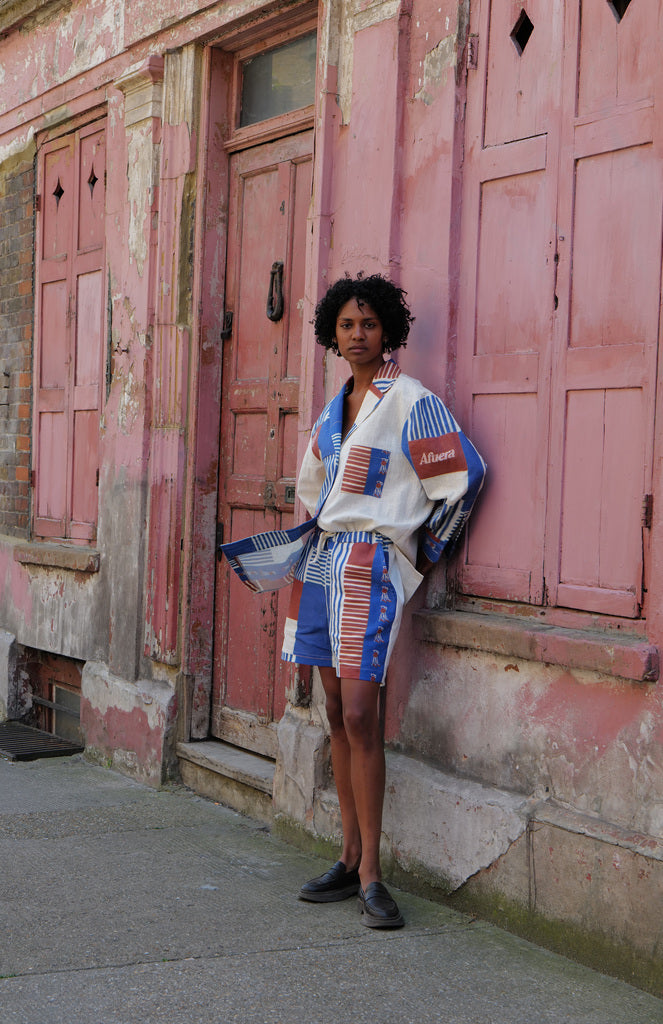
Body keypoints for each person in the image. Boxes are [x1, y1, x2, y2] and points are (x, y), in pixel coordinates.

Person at [280, 273, 486, 928]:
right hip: (320, 562)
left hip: (372, 563)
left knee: (364, 713)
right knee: (335, 710)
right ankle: (345, 857)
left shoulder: (409, 402)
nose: (357, 334)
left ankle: (372, 872)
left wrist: (423, 555)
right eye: (346, 325)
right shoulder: (331, 408)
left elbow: (464, 476)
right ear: (332, 335)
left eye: (368, 323)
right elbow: (310, 490)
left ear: (387, 330)